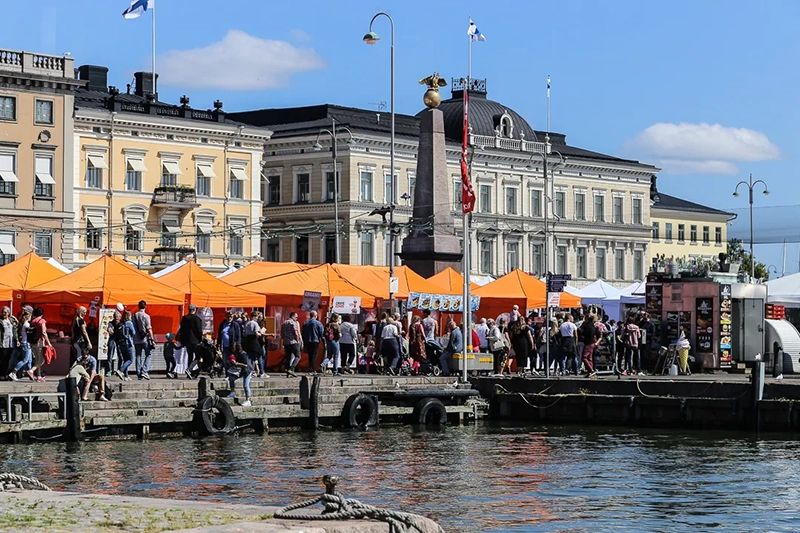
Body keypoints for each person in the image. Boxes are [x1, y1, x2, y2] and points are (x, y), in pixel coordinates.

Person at [179, 304, 204, 375]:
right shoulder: (197, 319)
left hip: (187, 340)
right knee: (198, 356)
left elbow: (182, 330)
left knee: (190, 355)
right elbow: (199, 330)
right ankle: (189, 369)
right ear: (195, 310)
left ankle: (188, 372)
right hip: (195, 340)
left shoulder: (184, 318)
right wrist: (200, 339)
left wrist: (182, 340)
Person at [133, 300, 154, 380]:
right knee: (148, 354)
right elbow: (149, 328)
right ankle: (144, 371)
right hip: (145, 338)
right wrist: (152, 339)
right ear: (145, 306)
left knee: (138, 356)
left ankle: (138, 372)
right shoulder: (146, 316)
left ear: (138, 306)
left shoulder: (134, 315)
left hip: (136, 339)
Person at [227, 343, 253, 407]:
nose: (232, 350)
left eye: (233, 348)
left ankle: (248, 400)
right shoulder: (235, 354)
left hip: (247, 371)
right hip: (240, 371)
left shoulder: (243, 354)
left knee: (245, 385)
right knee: (231, 378)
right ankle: (232, 392)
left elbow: (245, 365)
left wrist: (236, 363)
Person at [27, 307, 50, 382]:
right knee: (41, 360)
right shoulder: (42, 321)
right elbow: (44, 332)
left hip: (33, 342)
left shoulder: (32, 321)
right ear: (42, 314)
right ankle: (31, 370)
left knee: (37, 359)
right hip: (40, 342)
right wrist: (49, 343)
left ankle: (39, 376)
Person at [9, 308, 31, 381]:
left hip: (24, 343)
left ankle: (31, 374)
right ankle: (14, 372)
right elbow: (30, 332)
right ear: (28, 317)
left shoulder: (22, 324)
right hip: (26, 343)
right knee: (25, 360)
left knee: (29, 360)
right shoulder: (27, 324)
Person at [113, 310, 135, 381]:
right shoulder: (129, 323)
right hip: (128, 343)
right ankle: (120, 370)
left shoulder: (122, 323)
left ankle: (126, 375)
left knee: (125, 359)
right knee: (130, 360)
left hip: (122, 344)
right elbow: (134, 332)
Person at [281, 311, 302, 377]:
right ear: (292, 316)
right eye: (296, 317)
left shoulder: (284, 323)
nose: (297, 318)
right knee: (298, 356)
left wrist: (283, 339)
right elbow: (296, 332)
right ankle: (291, 368)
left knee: (288, 357)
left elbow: (281, 333)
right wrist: (298, 340)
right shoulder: (293, 323)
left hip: (286, 342)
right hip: (293, 342)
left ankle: (287, 371)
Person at [0, 306, 17, 379]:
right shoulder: (0, 320)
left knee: (8, 359)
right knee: (2, 359)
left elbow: (15, 330)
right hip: (2, 342)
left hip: (10, 342)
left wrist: (17, 340)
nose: (4, 313)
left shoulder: (11, 320)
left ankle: (5, 374)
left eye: (5, 312)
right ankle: (1, 374)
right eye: (3, 312)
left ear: (9, 313)